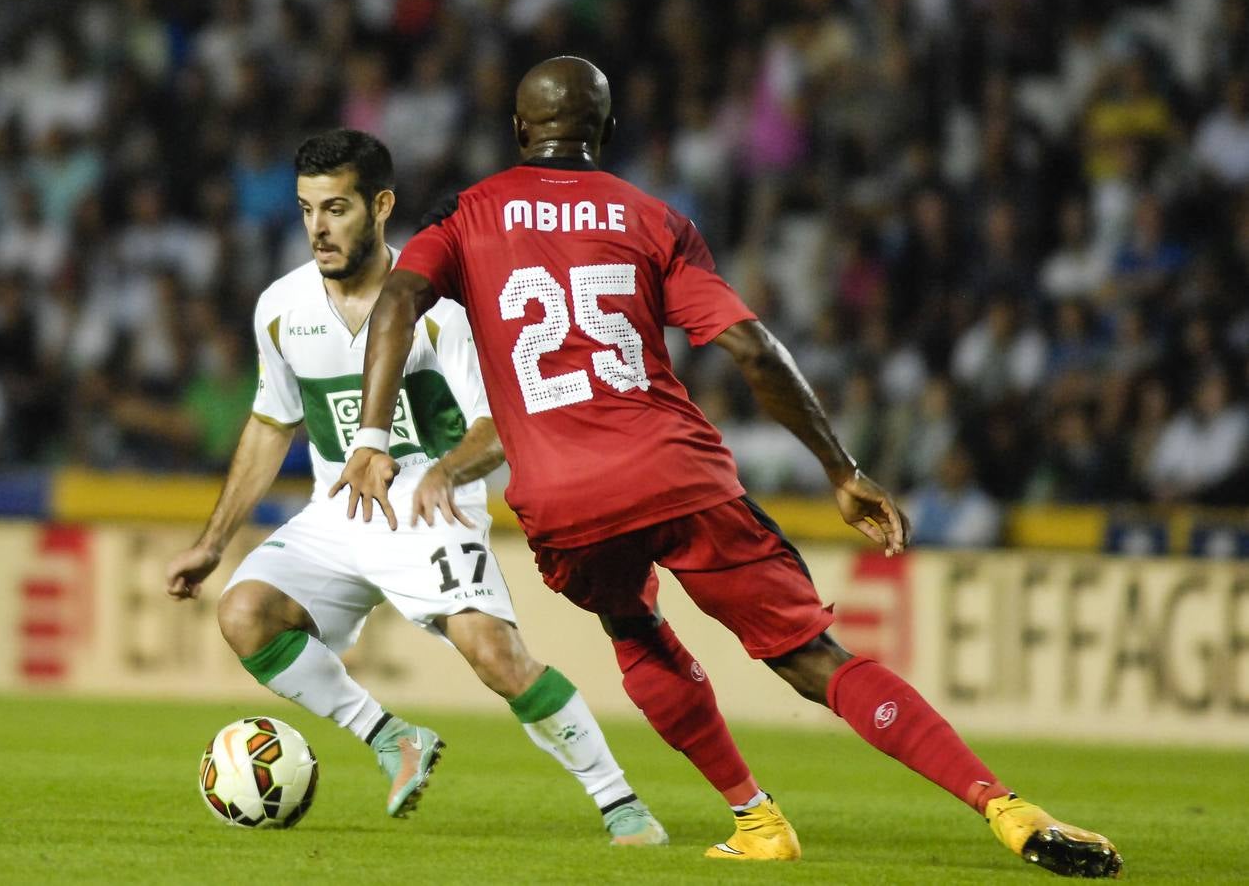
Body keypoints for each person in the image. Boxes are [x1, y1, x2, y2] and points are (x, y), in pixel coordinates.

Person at [333, 58, 1122, 878]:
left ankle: (756, 817)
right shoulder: (653, 218)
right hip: (676, 471)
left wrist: (374, 436)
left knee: (633, 626)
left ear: (518, 131)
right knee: (813, 659)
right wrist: (841, 468)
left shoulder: (466, 213)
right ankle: (1002, 805)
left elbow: (396, 301)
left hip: (564, 498)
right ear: (604, 132)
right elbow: (751, 346)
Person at [163, 129, 665, 845]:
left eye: (337, 209)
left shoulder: (443, 310)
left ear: (381, 206)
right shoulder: (281, 308)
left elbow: (502, 427)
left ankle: (620, 804)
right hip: (337, 511)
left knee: (494, 655)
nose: (319, 228)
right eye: (307, 210)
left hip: (430, 504)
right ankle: (389, 737)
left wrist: (442, 474)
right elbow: (271, 423)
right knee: (245, 612)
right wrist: (212, 544)